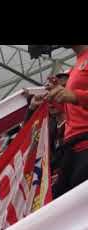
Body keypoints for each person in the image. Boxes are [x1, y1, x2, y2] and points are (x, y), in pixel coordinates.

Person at [45, 45, 88, 198]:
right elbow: (70, 107)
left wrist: (74, 96)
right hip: (72, 146)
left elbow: (75, 98)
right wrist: (54, 97)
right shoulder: (77, 64)